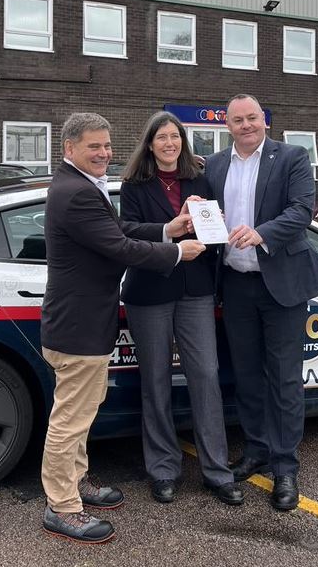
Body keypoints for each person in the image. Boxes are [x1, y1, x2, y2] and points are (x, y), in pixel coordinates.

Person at [41, 112, 205, 544]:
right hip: (77, 325)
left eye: (107, 145)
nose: (104, 153)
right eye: (93, 146)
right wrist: (175, 253)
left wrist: (165, 229)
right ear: (69, 149)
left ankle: (77, 484)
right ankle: (63, 507)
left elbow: (117, 230)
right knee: (70, 421)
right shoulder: (75, 193)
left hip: (84, 323)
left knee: (82, 412)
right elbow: (118, 245)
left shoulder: (79, 185)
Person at [205, 94, 318, 511]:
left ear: (264, 120)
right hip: (236, 283)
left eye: (253, 118)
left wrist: (263, 233)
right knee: (245, 375)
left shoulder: (292, 156)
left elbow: (302, 210)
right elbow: (207, 213)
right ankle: (257, 450)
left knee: (284, 379)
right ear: (227, 126)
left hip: (281, 284)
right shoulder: (215, 164)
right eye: (238, 120)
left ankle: (285, 467)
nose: (246, 125)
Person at [120, 111, 243, 507]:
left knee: (205, 375)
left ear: (182, 142)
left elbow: (214, 237)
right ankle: (162, 470)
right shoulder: (134, 184)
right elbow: (125, 232)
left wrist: (215, 225)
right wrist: (169, 231)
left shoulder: (199, 179)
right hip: (150, 290)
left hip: (195, 290)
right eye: (162, 138)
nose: (169, 144)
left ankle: (217, 471)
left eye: (175, 137)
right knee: (155, 381)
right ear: (150, 144)